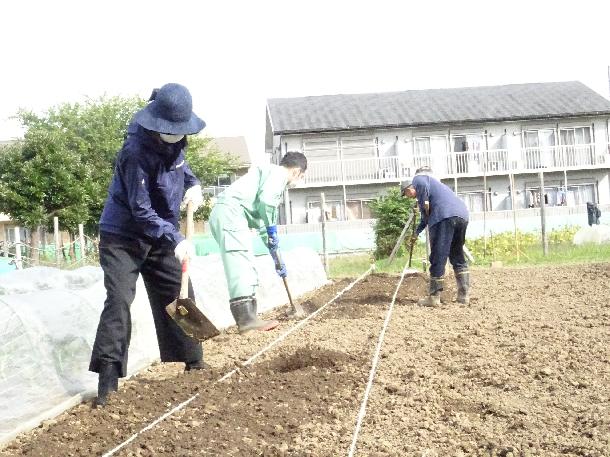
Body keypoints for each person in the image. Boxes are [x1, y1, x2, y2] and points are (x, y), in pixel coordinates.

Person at [90, 83, 207, 406]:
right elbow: (141, 210)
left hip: (162, 233)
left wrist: (194, 186)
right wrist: (176, 238)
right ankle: (108, 381)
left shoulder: (177, 143)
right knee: (119, 301)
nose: (176, 136)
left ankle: (195, 362)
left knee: (178, 290)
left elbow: (183, 171)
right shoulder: (134, 153)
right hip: (123, 238)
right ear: (156, 125)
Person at [208, 152, 307, 333]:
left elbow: (262, 221)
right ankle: (247, 321)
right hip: (230, 215)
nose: (296, 182)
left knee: (244, 261)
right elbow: (267, 203)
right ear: (296, 172)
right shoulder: (278, 174)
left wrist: (274, 251)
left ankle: (250, 317)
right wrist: (272, 229)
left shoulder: (267, 176)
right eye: (300, 177)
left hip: (230, 215)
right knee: (240, 263)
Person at [401, 172, 470, 306]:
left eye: (406, 195)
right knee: (457, 255)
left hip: (443, 216)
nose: (408, 197)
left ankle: (434, 297)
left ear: (408, 189)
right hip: (462, 215)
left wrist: (424, 202)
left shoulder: (418, 180)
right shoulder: (434, 189)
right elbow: (425, 218)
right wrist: (416, 232)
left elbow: (422, 186)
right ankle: (464, 296)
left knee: (438, 256)